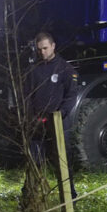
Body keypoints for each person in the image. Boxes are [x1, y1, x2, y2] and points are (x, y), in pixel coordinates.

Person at [23, 32, 79, 198]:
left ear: (53, 46)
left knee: (63, 164)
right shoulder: (33, 70)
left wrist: (60, 114)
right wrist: (30, 117)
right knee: (34, 163)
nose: (42, 52)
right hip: (37, 124)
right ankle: (28, 202)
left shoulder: (65, 69)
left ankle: (69, 200)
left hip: (58, 124)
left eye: (45, 48)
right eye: (39, 49)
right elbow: (26, 95)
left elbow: (71, 95)